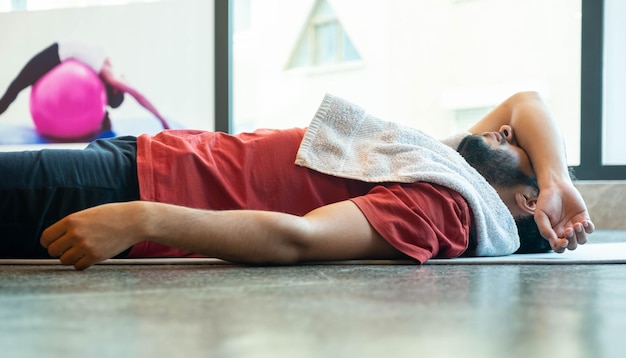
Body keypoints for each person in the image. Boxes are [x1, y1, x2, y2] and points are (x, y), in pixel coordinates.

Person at [0, 91, 593, 270]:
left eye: (521, 157)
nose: (508, 135)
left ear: (521, 206)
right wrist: (557, 181)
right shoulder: (452, 165)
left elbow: (300, 238)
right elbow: (526, 102)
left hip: (130, 192)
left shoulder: (449, 208)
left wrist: (138, 217)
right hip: (155, 158)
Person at [0, 42, 170, 133]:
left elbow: (138, 96)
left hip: (55, 55)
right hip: (57, 57)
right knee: (15, 88)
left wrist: (161, 119)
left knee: (15, 87)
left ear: (115, 89)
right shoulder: (107, 69)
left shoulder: (110, 77)